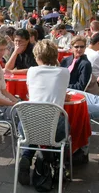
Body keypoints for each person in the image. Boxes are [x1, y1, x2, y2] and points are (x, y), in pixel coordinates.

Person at [17, 40, 70, 185]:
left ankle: (27, 156)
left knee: (35, 128)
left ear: (36, 56)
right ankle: (57, 163)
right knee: (58, 130)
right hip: (54, 125)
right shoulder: (64, 72)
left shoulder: (32, 71)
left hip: (28, 122)